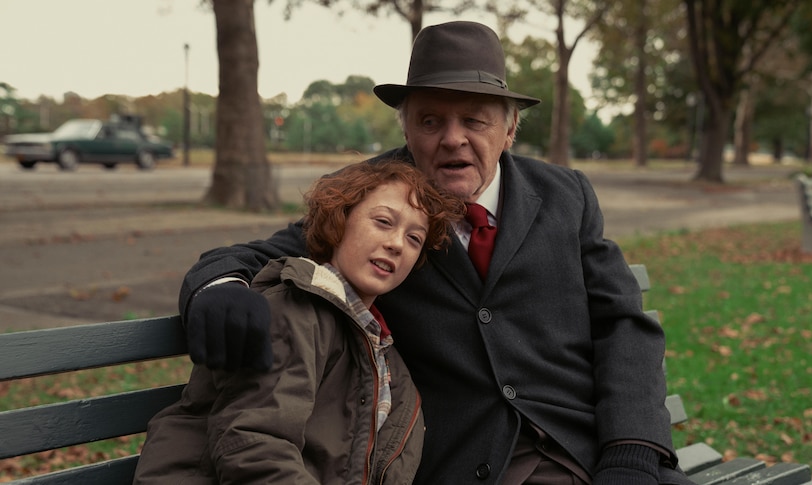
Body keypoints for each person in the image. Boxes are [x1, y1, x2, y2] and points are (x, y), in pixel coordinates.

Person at [177, 21, 696, 485]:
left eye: (475, 120)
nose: (453, 140)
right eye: (430, 121)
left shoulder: (567, 195)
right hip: (466, 461)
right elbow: (254, 255)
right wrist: (221, 287)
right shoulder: (367, 198)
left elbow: (622, 323)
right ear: (406, 127)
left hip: (589, 451)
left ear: (510, 128)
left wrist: (631, 450)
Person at [133, 161, 464, 484]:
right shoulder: (295, 309)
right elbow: (254, 447)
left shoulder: (384, 356)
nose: (396, 244)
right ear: (340, 221)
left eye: (414, 239)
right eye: (382, 221)